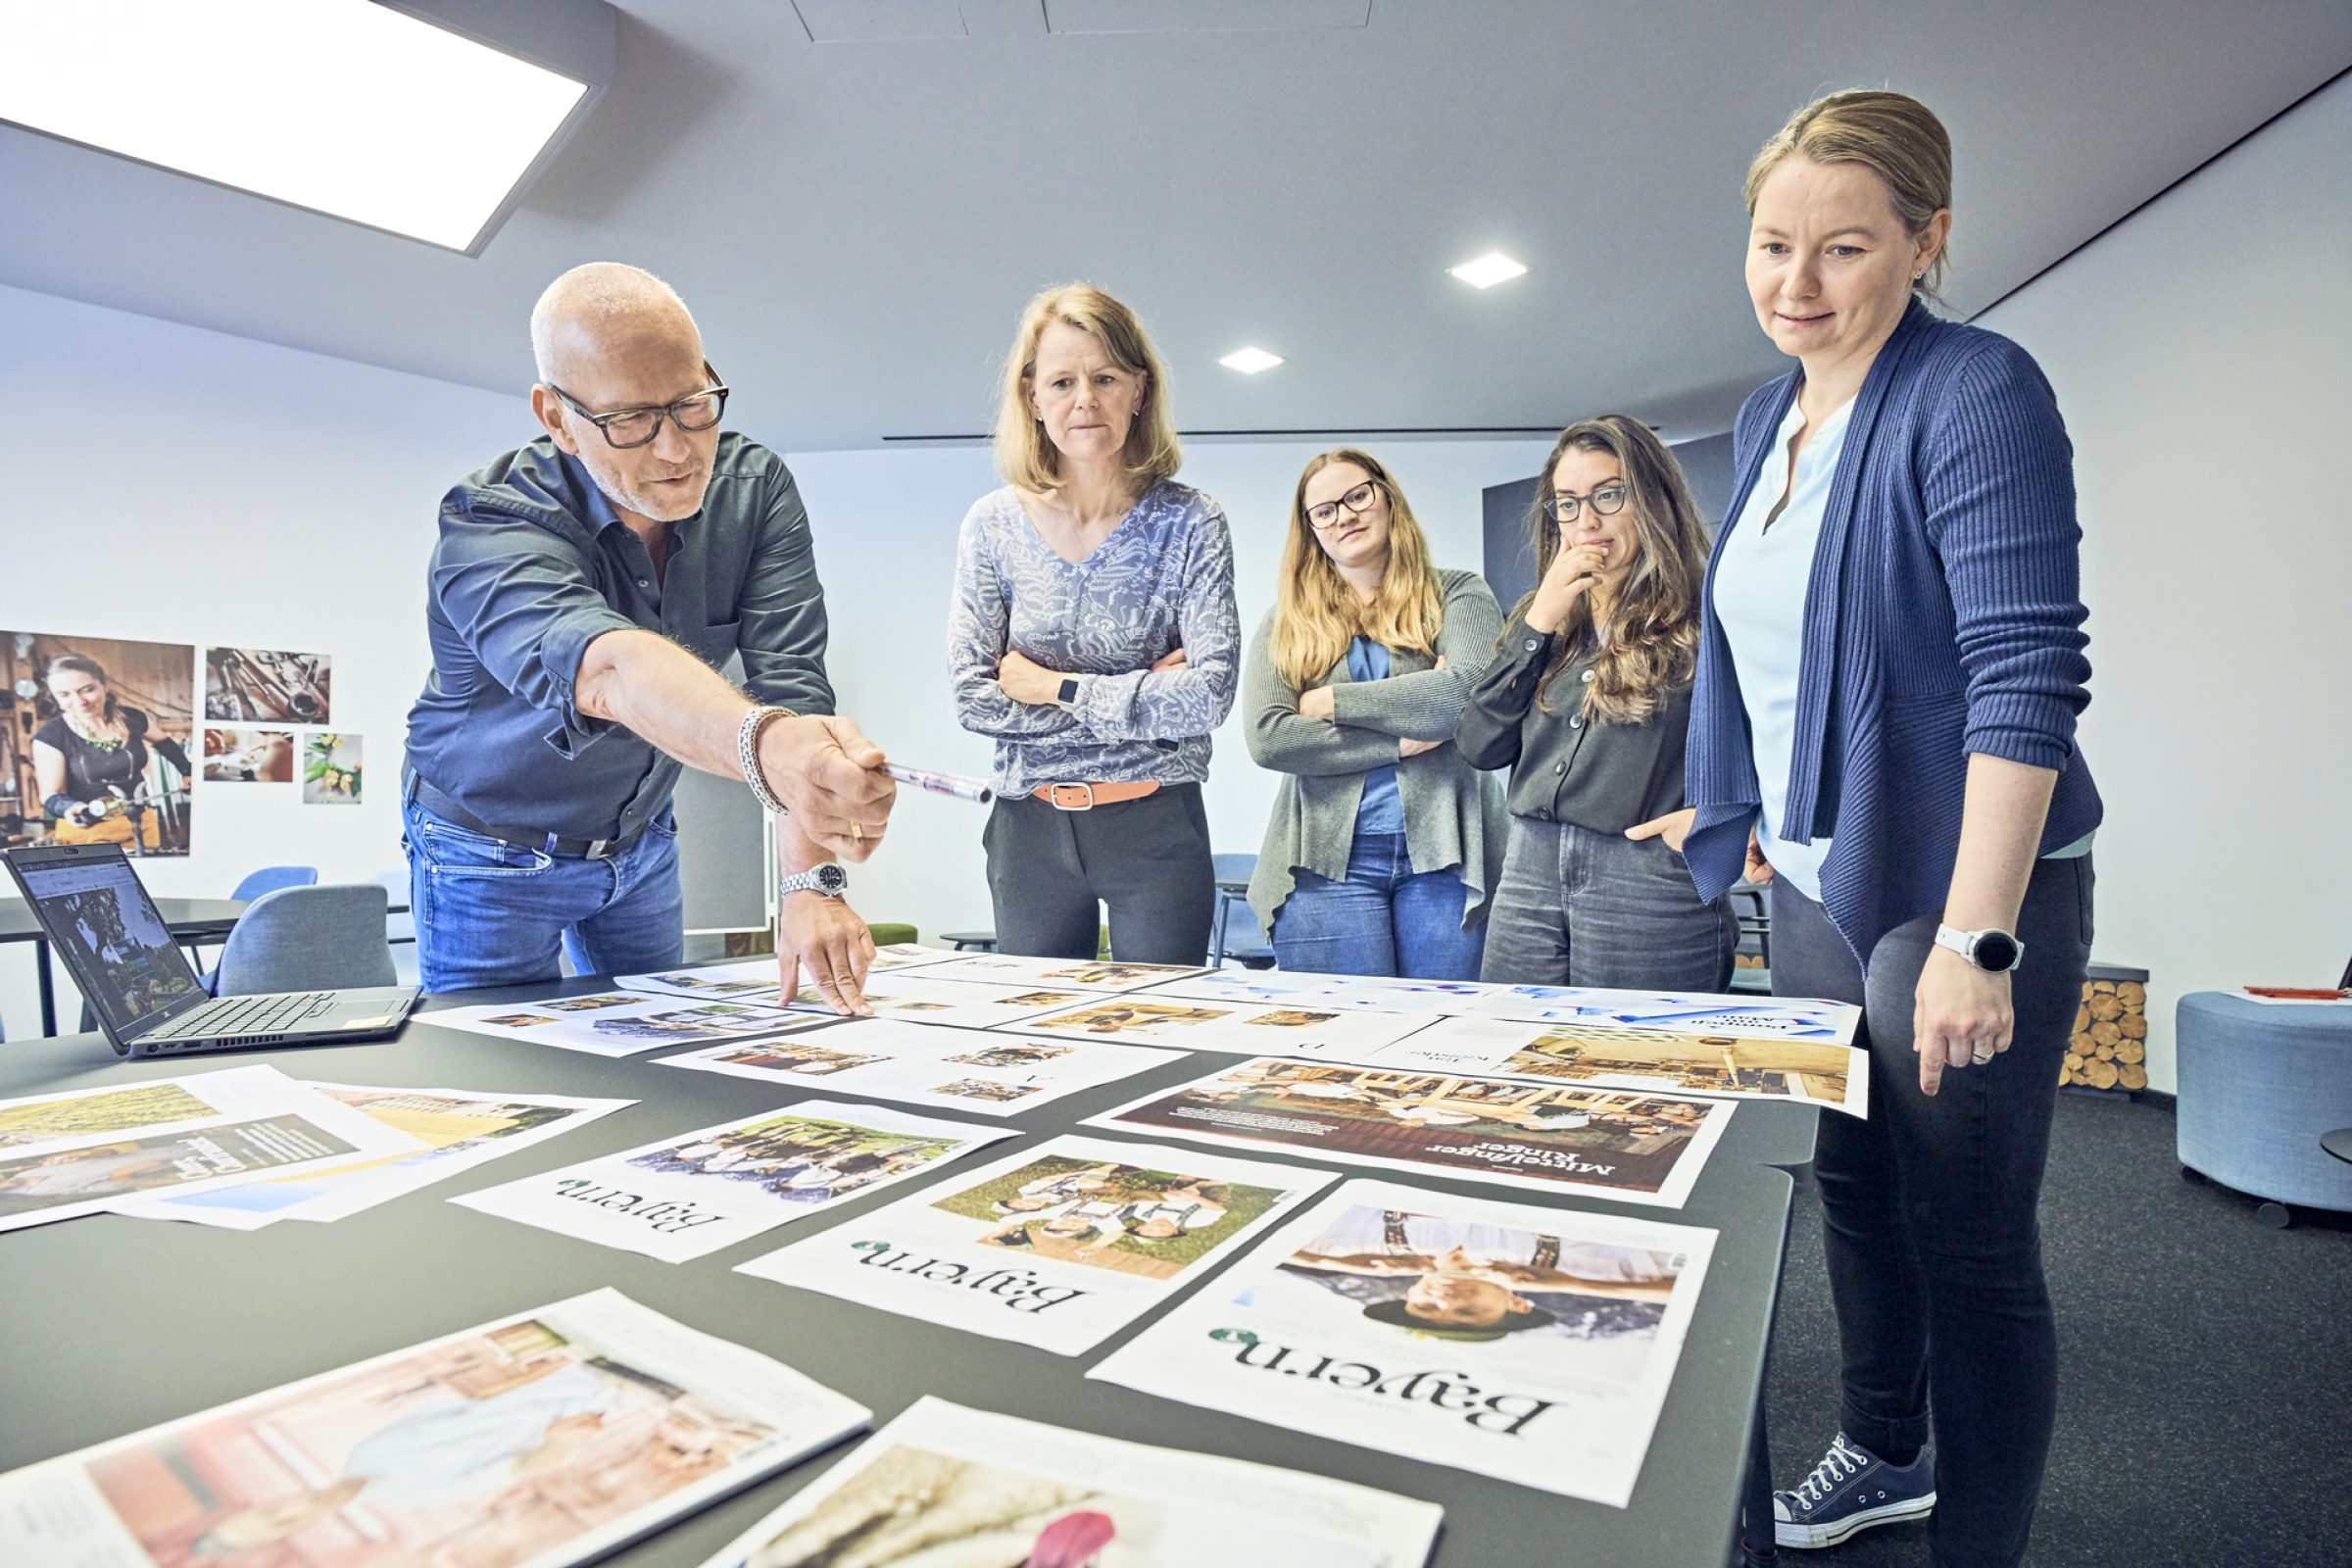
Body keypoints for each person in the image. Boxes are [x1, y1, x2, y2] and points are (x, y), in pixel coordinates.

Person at [1681, 91, 2100, 1567]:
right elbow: (1776, 650)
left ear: (1928, 242)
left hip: (1954, 893)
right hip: (1812, 880)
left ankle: (1982, 1545)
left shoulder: (1974, 388)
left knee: (1972, 1242)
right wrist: (1749, 810)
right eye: (1773, 244)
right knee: (1853, 1190)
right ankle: (1884, 1451)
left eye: (1843, 249)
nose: (1796, 285)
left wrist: (1978, 940)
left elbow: (2026, 672)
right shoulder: (1766, 412)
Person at [402, 264, 894, 1011]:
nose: (676, 450)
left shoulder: (753, 488)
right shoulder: (491, 523)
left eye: (693, 404)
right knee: (500, 1073)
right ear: (557, 417)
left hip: (640, 839)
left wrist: (809, 886)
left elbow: (792, 692)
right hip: (488, 852)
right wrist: (770, 748)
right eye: (630, 421)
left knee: (665, 1050)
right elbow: (608, 672)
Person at [948, 283, 1240, 964]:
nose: (1086, 400)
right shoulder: (992, 526)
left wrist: (1050, 685)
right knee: (1035, 1045)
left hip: (1157, 825)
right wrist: (1144, 698)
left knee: (1162, 1032)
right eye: (1063, 381)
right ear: (1033, 399)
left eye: (1105, 377)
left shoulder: (1193, 522)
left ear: (1139, 390)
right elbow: (971, 695)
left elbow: (1209, 695)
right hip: (1029, 832)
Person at [1455, 417, 1738, 990]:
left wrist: (1722, 821)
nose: (1587, 521)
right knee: (1513, 1054)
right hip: (1529, 869)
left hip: (1646, 874)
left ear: (1652, 499)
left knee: (1639, 1063)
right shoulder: (1543, 615)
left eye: (1610, 496)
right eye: (1567, 503)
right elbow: (1480, 745)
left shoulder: (1710, 610)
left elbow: (1778, 737)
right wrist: (1539, 623)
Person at [1244, 449, 1506, 979]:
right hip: (1322, 862)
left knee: (1445, 1033)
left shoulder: (1457, 593)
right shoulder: (1288, 621)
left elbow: (1470, 697)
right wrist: (1400, 739)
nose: (1344, 515)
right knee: (1340, 1038)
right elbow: (1269, 738)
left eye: (1357, 496)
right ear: (1310, 529)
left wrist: (1329, 704)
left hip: (1448, 857)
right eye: (1324, 511)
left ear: (1386, 497)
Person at [32, 655, 190, 852]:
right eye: (64, 695)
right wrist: (69, 808)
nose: (80, 701)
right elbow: (50, 794)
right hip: (87, 832)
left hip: (141, 823)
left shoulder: (132, 718)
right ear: (54, 696)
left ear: (103, 685)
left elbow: (164, 742)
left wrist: (187, 771)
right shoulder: (50, 735)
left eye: (87, 690)